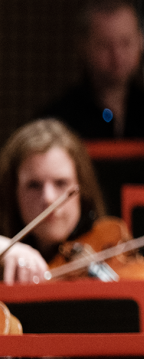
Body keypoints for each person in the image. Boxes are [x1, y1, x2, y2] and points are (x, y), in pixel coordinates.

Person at [39, 0, 144, 139]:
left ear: (141, 42)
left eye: (126, 43)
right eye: (105, 45)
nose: (117, 56)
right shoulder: (60, 118)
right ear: (83, 47)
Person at [0, 119, 107, 284]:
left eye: (61, 183)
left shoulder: (109, 249)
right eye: (34, 185)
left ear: (82, 189)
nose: (48, 198)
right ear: (12, 191)